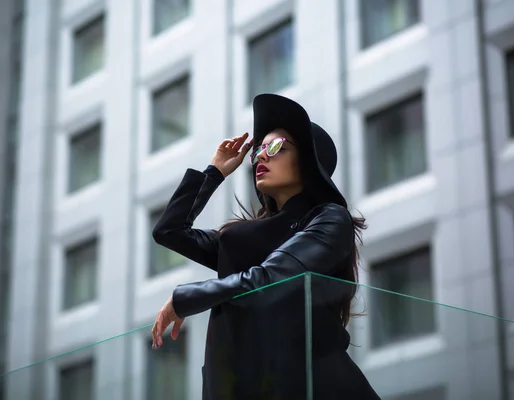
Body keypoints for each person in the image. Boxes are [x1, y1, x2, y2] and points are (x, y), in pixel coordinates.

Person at [151, 94, 381, 399]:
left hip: (316, 386)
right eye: (258, 150)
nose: (261, 156)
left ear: (308, 161)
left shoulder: (330, 220)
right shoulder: (242, 238)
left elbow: (269, 279)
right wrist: (214, 172)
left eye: (275, 148)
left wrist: (186, 298)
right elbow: (170, 231)